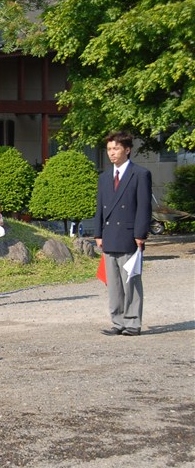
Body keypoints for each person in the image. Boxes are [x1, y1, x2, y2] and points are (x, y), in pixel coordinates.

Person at [94, 131, 152, 337]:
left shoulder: (140, 174)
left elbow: (144, 207)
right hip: (109, 235)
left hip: (129, 235)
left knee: (131, 281)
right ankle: (117, 321)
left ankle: (133, 322)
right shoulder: (103, 177)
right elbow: (100, 207)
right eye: (109, 149)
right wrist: (98, 233)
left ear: (127, 150)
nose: (112, 153)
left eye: (116, 148)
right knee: (114, 284)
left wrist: (140, 234)